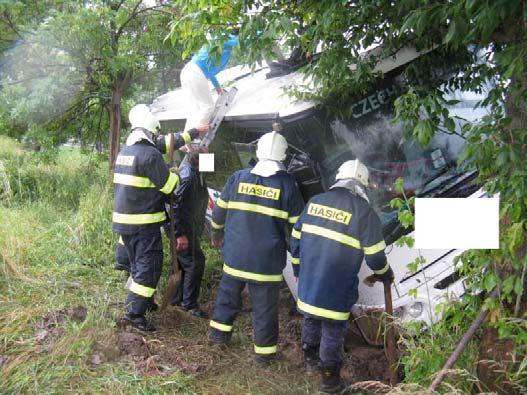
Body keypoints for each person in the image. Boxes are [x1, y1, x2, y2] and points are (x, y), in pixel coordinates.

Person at [290, 159, 394, 393]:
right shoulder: (364, 212)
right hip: (336, 287)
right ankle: (330, 382)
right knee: (332, 331)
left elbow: (295, 239)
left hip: (309, 282)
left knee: (311, 319)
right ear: (362, 186)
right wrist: (385, 274)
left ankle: (310, 362)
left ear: (338, 179)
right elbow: (376, 257)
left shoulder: (315, 202)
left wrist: (298, 270)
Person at [208, 131, 305, 366]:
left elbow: (219, 213)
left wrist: (216, 233)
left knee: (227, 298)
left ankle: (218, 338)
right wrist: (299, 262)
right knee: (264, 308)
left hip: (235, 254)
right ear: (282, 156)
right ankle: (264, 356)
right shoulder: (288, 185)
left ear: (258, 152)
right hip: (266, 262)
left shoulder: (237, 177)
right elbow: (297, 230)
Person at [112, 104, 203, 332]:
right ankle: (134, 315)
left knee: (137, 265)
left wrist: (193, 132)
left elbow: (166, 143)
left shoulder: (126, 151)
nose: (157, 138)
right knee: (148, 267)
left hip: (125, 223)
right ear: (151, 132)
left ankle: (145, 303)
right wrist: (172, 172)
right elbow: (169, 187)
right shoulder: (151, 155)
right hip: (144, 223)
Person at [170, 145, 210, 318]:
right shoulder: (187, 177)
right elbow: (175, 207)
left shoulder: (197, 173)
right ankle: (190, 305)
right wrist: (180, 234)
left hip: (189, 227)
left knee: (183, 263)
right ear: (197, 160)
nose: (211, 160)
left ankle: (177, 299)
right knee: (195, 262)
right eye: (208, 157)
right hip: (183, 229)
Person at [180, 32, 239, 131]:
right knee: (208, 107)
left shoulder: (216, 41)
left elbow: (209, 70)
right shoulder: (225, 38)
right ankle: (193, 138)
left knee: (196, 109)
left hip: (187, 71)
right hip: (195, 72)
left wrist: (217, 87)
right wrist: (262, 32)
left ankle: (186, 141)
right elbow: (242, 41)